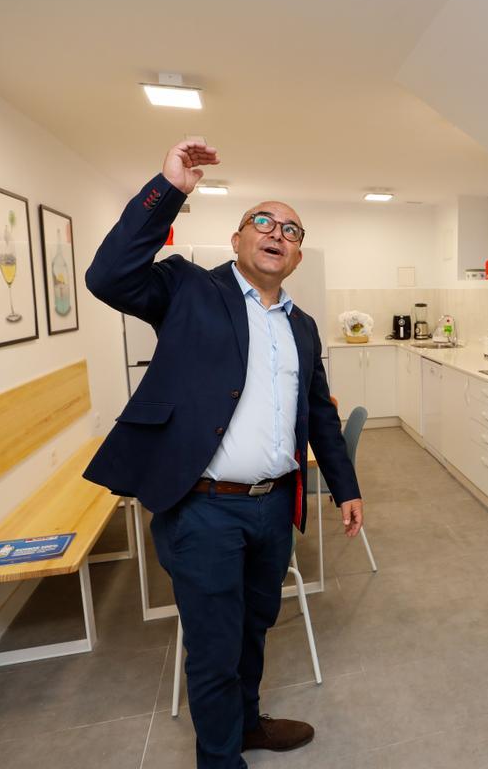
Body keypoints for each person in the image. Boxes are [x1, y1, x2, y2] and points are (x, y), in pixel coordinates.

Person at [83, 140, 363, 769]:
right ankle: (219, 758)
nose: (278, 234)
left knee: (254, 627)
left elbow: (318, 412)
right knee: (212, 644)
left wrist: (345, 486)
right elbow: (108, 276)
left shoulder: (303, 326)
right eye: (264, 221)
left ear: (296, 253)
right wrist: (169, 189)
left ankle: (243, 724)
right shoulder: (187, 290)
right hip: (203, 508)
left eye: (292, 230)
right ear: (237, 239)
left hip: (272, 510)